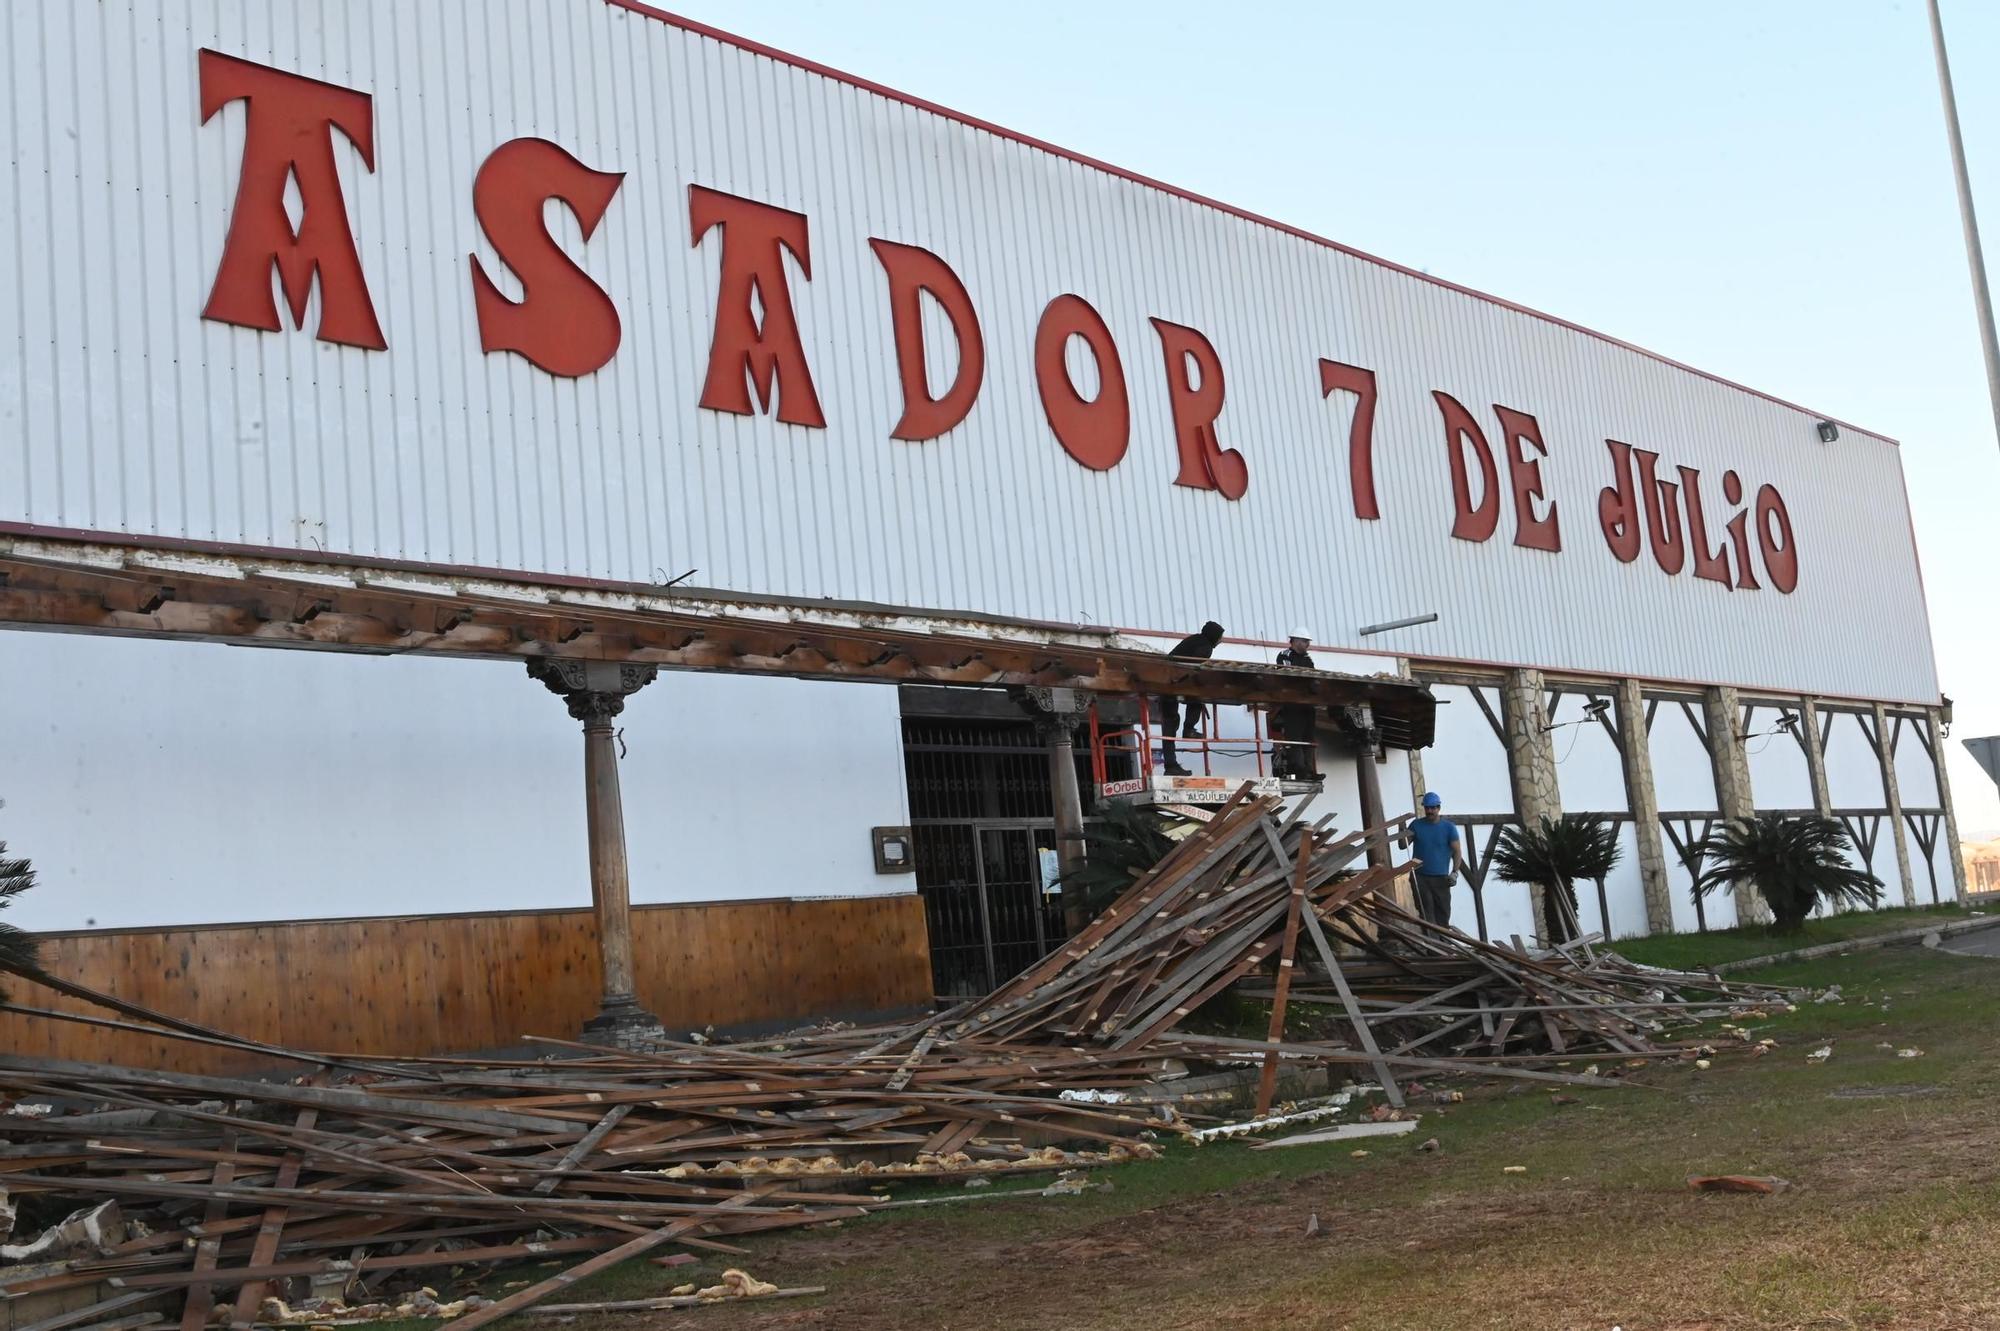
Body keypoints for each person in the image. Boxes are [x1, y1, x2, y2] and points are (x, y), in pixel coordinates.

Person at [1159, 621, 1223, 777]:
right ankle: (1189, 730)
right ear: (1213, 635)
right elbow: (1192, 669)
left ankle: (1171, 765)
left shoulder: (1195, 639)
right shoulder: (1205, 647)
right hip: (1172, 682)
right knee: (1196, 699)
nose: (1221, 640)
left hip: (1165, 682)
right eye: (1220, 637)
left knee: (1170, 724)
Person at [1408, 791, 1470, 928]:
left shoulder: (1448, 828)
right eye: (1427, 808)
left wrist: (1454, 872)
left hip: (1441, 878)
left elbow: (1457, 851)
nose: (1430, 811)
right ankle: (1432, 948)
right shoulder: (1416, 825)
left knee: (1443, 914)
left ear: (1438, 808)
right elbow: (1403, 845)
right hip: (1420, 877)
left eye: (1433, 808)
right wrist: (1402, 830)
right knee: (1426, 914)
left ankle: (1444, 947)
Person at [1271, 627, 1320, 782]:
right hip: (1293, 705)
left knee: (1309, 738)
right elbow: (1289, 676)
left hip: (1307, 705)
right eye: (1305, 641)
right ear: (1296, 641)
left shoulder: (1308, 659)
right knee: (1296, 739)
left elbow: (1313, 678)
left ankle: (1309, 770)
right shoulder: (1285, 655)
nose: (1307, 645)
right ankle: (1300, 770)